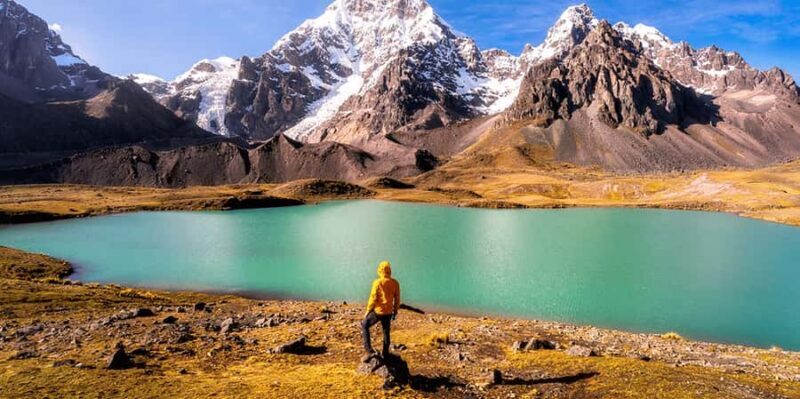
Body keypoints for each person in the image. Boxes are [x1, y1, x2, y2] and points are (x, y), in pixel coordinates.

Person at [361, 260, 400, 357]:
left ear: (380, 270)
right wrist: (395, 311)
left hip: (378, 312)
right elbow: (397, 299)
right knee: (386, 332)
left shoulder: (377, 283)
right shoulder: (395, 283)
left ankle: (368, 350)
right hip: (388, 312)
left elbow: (373, 298)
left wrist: (368, 311)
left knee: (364, 325)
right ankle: (385, 353)